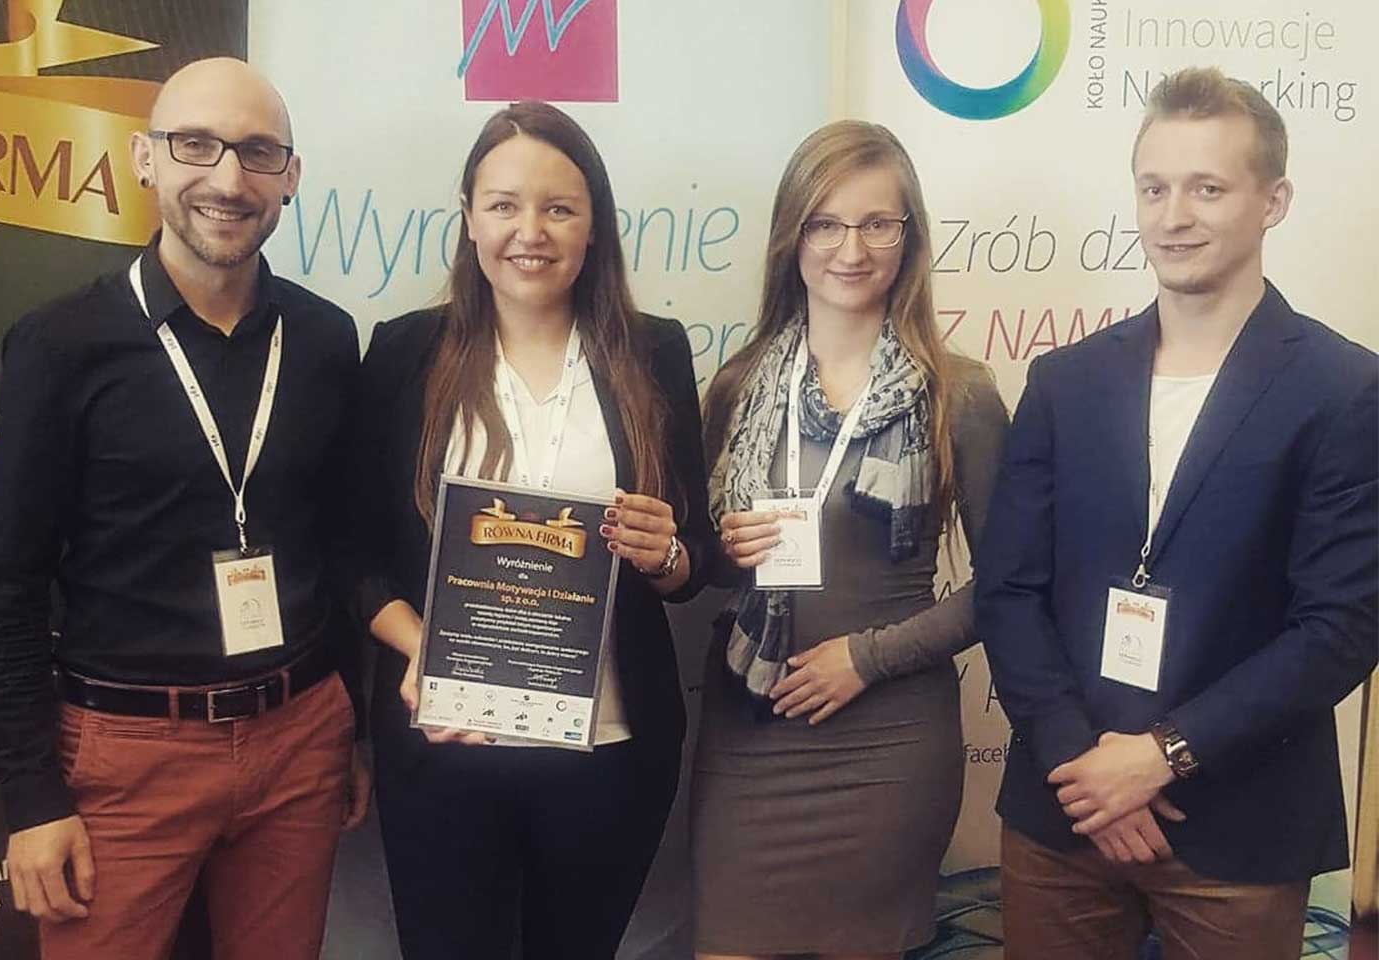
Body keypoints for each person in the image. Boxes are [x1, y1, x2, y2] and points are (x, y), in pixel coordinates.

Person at [0, 58, 368, 960]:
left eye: (257, 152)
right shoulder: (60, 343)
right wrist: (32, 799)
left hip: (299, 735)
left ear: (291, 177)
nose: (227, 179)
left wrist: (351, 733)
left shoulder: (324, 339)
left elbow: (337, 544)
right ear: (145, 159)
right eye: (196, 145)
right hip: (125, 756)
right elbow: (9, 586)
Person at [975, 67, 1378, 960]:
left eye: (1208, 188)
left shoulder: (1345, 389)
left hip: (1239, 828)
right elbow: (1007, 590)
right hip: (1064, 810)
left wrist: (1160, 756)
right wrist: (1082, 764)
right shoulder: (1065, 381)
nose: (1174, 216)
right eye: (1154, 188)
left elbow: (1342, 626)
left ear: (1273, 202)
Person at [351, 100, 715, 959]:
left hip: (608, 753)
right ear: (469, 218)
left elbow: (693, 560)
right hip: (446, 740)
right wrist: (423, 646)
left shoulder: (654, 353)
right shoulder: (404, 353)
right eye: (504, 205)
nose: (531, 232)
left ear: (595, 225)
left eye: (559, 208)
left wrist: (665, 552)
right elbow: (351, 552)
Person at [693, 120, 1008, 959]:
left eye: (878, 224)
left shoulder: (959, 394)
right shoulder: (736, 387)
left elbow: (1009, 586)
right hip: (751, 731)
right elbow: (708, 568)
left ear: (911, 237)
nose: (852, 249)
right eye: (826, 224)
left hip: (888, 741)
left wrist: (866, 658)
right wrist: (726, 548)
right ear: (791, 236)